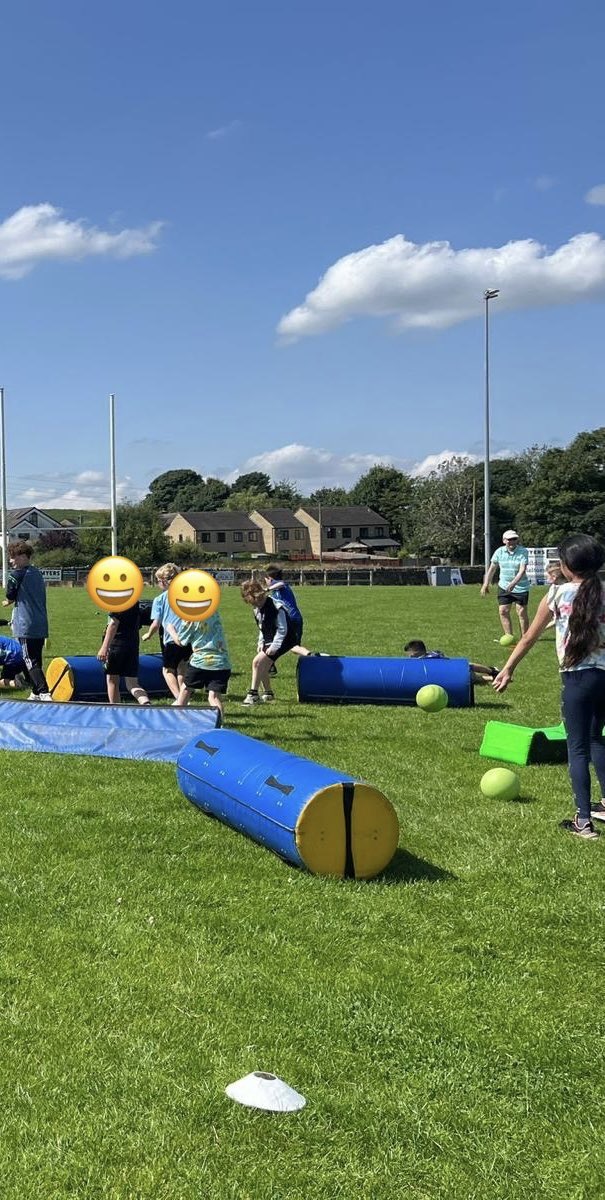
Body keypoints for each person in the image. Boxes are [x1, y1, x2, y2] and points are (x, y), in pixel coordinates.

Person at [493, 534, 605, 839]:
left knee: (578, 748)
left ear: (567, 566)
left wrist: (508, 669)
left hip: (577, 679)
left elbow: (528, 636)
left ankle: (584, 821)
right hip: (603, 677)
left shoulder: (557, 594)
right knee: (597, 740)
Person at [1, 540, 52, 700]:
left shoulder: (16, 575)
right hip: (41, 623)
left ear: (23, 556)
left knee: (29, 660)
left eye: (13, 557)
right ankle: (36, 693)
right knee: (37, 658)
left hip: (25, 624)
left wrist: (8, 601)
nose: (11, 561)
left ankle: (44, 692)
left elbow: (10, 594)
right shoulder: (37, 573)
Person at [240, 579, 299, 704]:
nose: (254, 605)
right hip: (270, 639)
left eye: (256, 601)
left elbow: (283, 629)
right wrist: (261, 643)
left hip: (284, 639)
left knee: (256, 662)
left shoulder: (277, 607)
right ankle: (268, 693)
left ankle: (253, 695)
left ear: (261, 596)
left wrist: (274, 646)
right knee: (263, 666)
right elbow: (262, 628)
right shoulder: (256, 609)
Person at [166, 610, 231, 720]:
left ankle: (179, 718)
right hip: (222, 662)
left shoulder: (189, 619)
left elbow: (182, 642)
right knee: (214, 697)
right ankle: (219, 724)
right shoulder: (214, 612)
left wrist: (171, 630)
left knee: (185, 690)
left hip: (200, 663)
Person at [141, 562, 191, 700]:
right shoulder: (185, 595)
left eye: (158, 581)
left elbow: (156, 623)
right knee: (182, 667)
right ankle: (184, 697)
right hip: (187, 637)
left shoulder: (160, 599)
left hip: (171, 639)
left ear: (164, 581)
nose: (157, 584)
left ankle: (178, 698)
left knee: (167, 670)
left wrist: (148, 634)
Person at [97, 600, 151, 706]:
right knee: (132, 684)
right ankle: (146, 704)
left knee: (112, 680)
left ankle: (115, 710)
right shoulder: (134, 601)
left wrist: (104, 647)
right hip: (132, 644)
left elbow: (113, 624)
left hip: (116, 645)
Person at [481, 530, 530, 638]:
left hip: (520, 587)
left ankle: (525, 637)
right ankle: (509, 636)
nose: (512, 542)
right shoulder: (499, 552)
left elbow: (522, 571)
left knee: (521, 612)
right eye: (509, 539)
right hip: (503, 585)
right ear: (504, 541)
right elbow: (492, 569)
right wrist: (486, 584)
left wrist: (513, 583)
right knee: (503, 611)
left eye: (514, 539)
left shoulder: (523, 552)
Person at [263, 565, 312, 659]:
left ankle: (311, 656)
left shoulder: (280, 585)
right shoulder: (276, 591)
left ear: (270, 579)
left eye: (266, 580)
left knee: (290, 646)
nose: (266, 582)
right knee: (292, 646)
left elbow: (281, 584)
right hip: (292, 619)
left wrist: (267, 589)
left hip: (292, 619)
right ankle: (310, 655)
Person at [404, 639, 498, 685]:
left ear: (417, 651)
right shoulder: (431, 654)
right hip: (458, 669)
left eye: (411, 655)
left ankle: (492, 675)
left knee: (472, 677)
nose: (409, 657)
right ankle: (492, 673)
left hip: (456, 674)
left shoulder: (426, 660)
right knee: (470, 668)